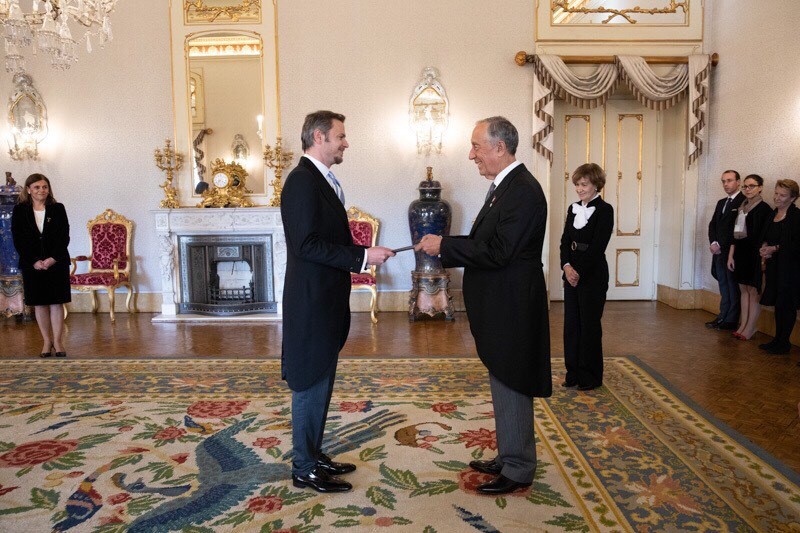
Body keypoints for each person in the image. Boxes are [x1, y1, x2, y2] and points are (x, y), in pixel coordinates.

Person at [416, 116, 551, 495]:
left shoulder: (523, 190)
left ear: (500, 147)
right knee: (502, 376)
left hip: (512, 305)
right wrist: (445, 244)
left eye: (476, 146)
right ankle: (509, 456)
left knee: (513, 379)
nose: (471, 154)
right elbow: (487, 242)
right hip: (501, 304)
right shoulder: (504, 187)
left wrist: (445, 245)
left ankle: (519, 468)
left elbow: (499, 252)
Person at [280, 110, 395, 493]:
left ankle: (313, 454)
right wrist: (362, 257)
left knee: (322, 379)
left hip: (325, 300)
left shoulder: (322, 180)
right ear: (319, 137)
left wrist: (365, 253)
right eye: (340, 136)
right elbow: (306, 245)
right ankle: (303, 468)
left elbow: (327, 240)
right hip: (311, 302)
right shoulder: (302, 181)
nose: (346, 142)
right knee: (310, 381)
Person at [559, 163, 614, 391]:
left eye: (584, 184)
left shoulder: (605, 210)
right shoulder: (572, 208)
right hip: (571, 272)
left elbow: (598, 246)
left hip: (592, 274)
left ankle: (589, 376)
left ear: (596, 185)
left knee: (589, 326)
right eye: (577, 184)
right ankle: (573, 373)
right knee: (572, 325)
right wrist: (566, 266)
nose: (579, 189)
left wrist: (578, 271)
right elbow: (565, 240)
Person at [11, 173, 71, 358]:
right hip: (32, 264)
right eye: (37, 187)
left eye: (44, 187)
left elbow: (64, 236)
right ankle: (46, 341)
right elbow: (18, 239)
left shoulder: (58, 208)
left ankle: (58, 342)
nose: (41, 190)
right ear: (28, 190)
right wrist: (33, 261)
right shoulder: (20, 210)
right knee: (40, 304)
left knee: (56, 303)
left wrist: (53, 258)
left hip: (57, 262)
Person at [726, 174, 772, 340]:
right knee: (743, 290)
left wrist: (763, 259)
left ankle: (751, 327)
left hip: (755, 255)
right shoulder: (742, 207)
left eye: (752, 186)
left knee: (753, 291)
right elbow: (735, 234)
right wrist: (731, 256)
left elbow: (766, 236)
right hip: (740, 253)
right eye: (745, 186)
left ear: (760, 188)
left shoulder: (765, 209)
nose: (748, 189)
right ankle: (743, 325)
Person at [757, 179, 800, 355]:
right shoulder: (772, 214)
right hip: (774, 267)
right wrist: (764, 247)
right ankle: (777, 339)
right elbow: (765, 236)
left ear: (793, 198)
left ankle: (784, 342)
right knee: (778, 303)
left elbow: (796, 244)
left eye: (782, 195)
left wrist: (774, 249)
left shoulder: (796, 216)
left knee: (787, 304)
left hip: (790, 269)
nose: (777, 197)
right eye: (776, 193)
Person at [707, 170, 744, 330]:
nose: (726, 184)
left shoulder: (743, 201)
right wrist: (714, 242)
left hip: (732, 252)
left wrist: (723, 245)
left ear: (738, 182)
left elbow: (737, 229)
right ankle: (722, 315)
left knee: (732, 285)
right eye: (723, 181)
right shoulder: (721, 202)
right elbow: (713, 224)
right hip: (718, 251)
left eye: (729, 180)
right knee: (723, 284)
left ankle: (731, 320)